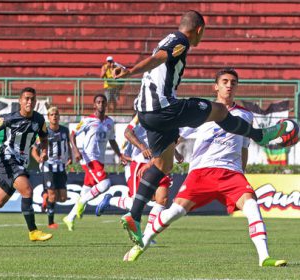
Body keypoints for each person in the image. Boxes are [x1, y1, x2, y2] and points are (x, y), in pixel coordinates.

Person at [113, 10, 288, 246]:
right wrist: (130, 71)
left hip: (146, 113)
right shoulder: (181, 41)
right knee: (220, 111)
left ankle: (134, 214)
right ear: (199, 30)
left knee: (163, 165)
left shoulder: (166, 39)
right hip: (164, 108)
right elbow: (161, 58)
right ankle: (261, 135)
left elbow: (160, 58)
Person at [123, 68, 287, 267]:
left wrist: (241, 173)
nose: (229, 85)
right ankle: (140, 246)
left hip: (231, 173)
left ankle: (264, 257)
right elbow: (174, 137)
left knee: (252, 206)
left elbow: (244, 147)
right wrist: (154, 161)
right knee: (174, 212)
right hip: (201, 172)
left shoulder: (246, 116)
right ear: (216, 86)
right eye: (225, 81)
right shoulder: (204, 113)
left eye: (233, 82)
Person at [0, 87, 52, 242]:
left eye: (32, 99)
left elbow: (44, 138)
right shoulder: (8, 118)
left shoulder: (39, 120)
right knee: (27, 190)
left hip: (21, 162)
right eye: (26, 98)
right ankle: (33, 231)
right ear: (20, 101)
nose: (29, 101)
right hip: (8, 160)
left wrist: (44, 151)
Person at [96, 114, 172, 240]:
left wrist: (177, 153)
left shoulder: (163, 114)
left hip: (159, 163)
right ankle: (110, 200)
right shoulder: (140, 118)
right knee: (135, 204)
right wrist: (142, 148)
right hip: (141, 164)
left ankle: (147, 236)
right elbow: (127, 133)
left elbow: (167, 139)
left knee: (162, 201)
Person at [62, 94, 127, 231]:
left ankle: (70, 217)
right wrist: (75, 151)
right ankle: (82, 202)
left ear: (106, 104)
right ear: (94, 105)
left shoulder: (110, 122)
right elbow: (72, 134)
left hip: (100, 159)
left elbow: (112, 140)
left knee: (86, 190)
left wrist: (120, 154)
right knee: (105, 183)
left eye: (103, 102)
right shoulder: (87, 120)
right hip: (89, 158)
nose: (101, 104)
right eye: (98, 102)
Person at [31, 106, 72, 229]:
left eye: (56, 114)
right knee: (53, 196)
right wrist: (39, 159)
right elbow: (34, 150)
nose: (54, 116)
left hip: (61, 167)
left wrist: (69, 156)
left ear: (59, 117)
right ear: (48, 117)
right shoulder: (44, 132)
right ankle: (50, 222)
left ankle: (45, 196)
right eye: (52, 115)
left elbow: (67, 145)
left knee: (63, 198)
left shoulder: (65, 130)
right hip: (48, 167)